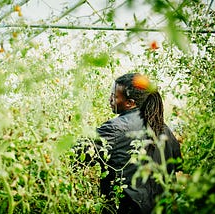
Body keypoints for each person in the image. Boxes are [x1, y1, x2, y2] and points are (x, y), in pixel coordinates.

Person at [74, 73, 182, 214]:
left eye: (114, 96)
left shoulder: (115, 128)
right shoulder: (165, 130)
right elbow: (177, 168)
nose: (110, 99)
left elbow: (76, 154)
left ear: (130, 103)